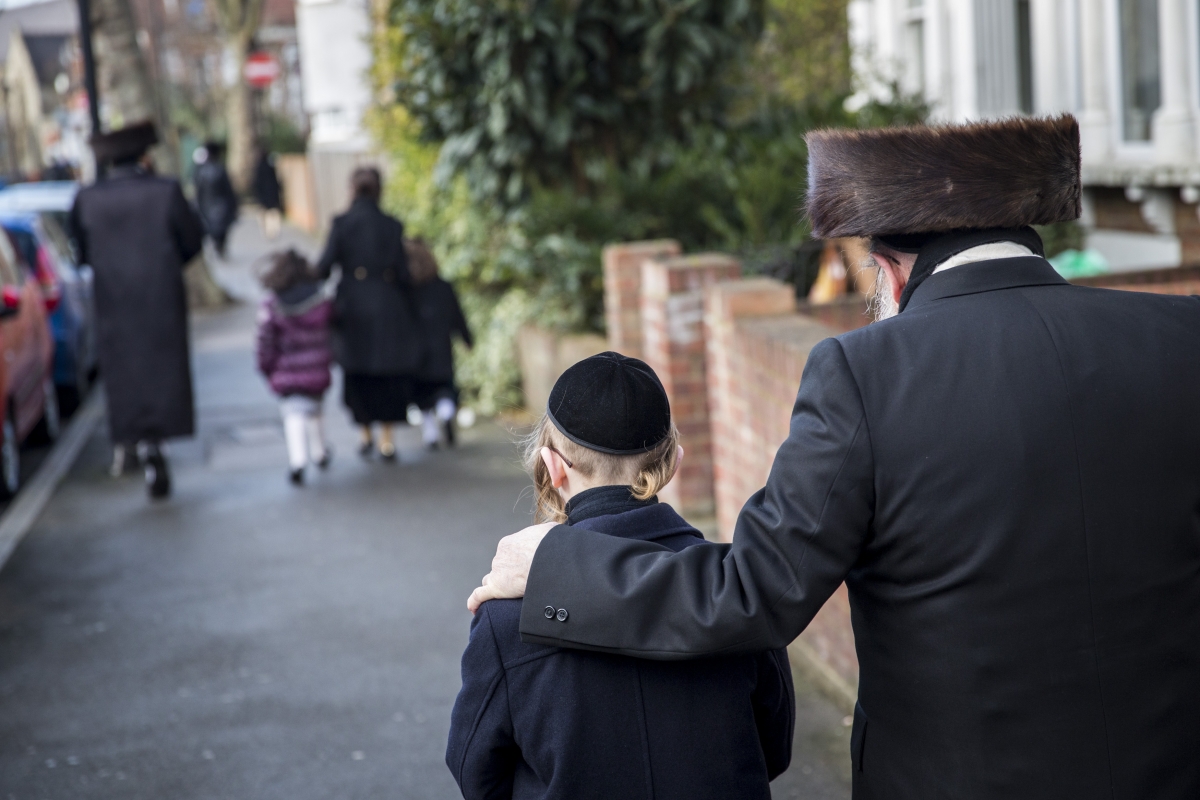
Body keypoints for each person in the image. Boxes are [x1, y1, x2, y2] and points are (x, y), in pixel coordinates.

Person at [468, 116, 1200, 799]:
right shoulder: (1180, 337)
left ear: (890, 270)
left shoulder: (864, 374)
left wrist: (555, 566)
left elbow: (751, 593)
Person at [447, 352, 794, 800]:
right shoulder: (732, 589)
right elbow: (774, 749)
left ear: (553, 467)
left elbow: (476, 772)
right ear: (672, 462)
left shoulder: (506, 614)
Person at [69, 120, 204, 499]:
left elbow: (79, 252)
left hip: (114, 300)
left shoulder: (88, 198)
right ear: (145, 157)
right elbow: (192, 241)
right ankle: (158, 441)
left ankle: (138, 444)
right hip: (161, 296)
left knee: (125, 372)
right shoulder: (166, 190)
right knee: (164, 369)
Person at [316, 167, 422, 461]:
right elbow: (403, 272)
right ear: (379, 190)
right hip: (388, 304)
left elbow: (324, 266)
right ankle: (387, 440)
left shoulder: (342, 223)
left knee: (358, 371)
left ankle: (365, 434)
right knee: (387, 373)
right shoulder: (392, 225)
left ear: (352, 189)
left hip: (352, 307)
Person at [255, 249, 333, 485]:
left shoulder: (272, 305)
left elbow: (265, 341)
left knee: (293, 414)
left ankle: (298, 460)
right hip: (317, 366)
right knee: (315, 408)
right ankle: (319, 451)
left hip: (287, 370)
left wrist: (266, 366)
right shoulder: (321, 301)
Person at [404, 237, 471, 449]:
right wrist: (467, 338)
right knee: (445, 388)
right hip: (441, 347)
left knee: (422, 393)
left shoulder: (405, 291)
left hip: (414, 351)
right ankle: (446, 411)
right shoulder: (443, 287)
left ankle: (430, 433)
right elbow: (457, 316)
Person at [193, 141, 239, 258]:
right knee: (221, 230)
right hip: (220, 206)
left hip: (208, 206)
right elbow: (228, 190)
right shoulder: (219, 169)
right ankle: (220, 246)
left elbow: (198, 191)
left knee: (213, 230)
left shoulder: (201, 171)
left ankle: (218, 246)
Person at [252, 147, 284, 240]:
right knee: (273, 213)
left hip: (264, 195)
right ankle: (273, 230)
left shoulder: (258, 168)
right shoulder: (270, 167)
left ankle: (267, 231)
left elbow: (256, 183)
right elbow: (276, 181)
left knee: (264, 214)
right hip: (271, 194)